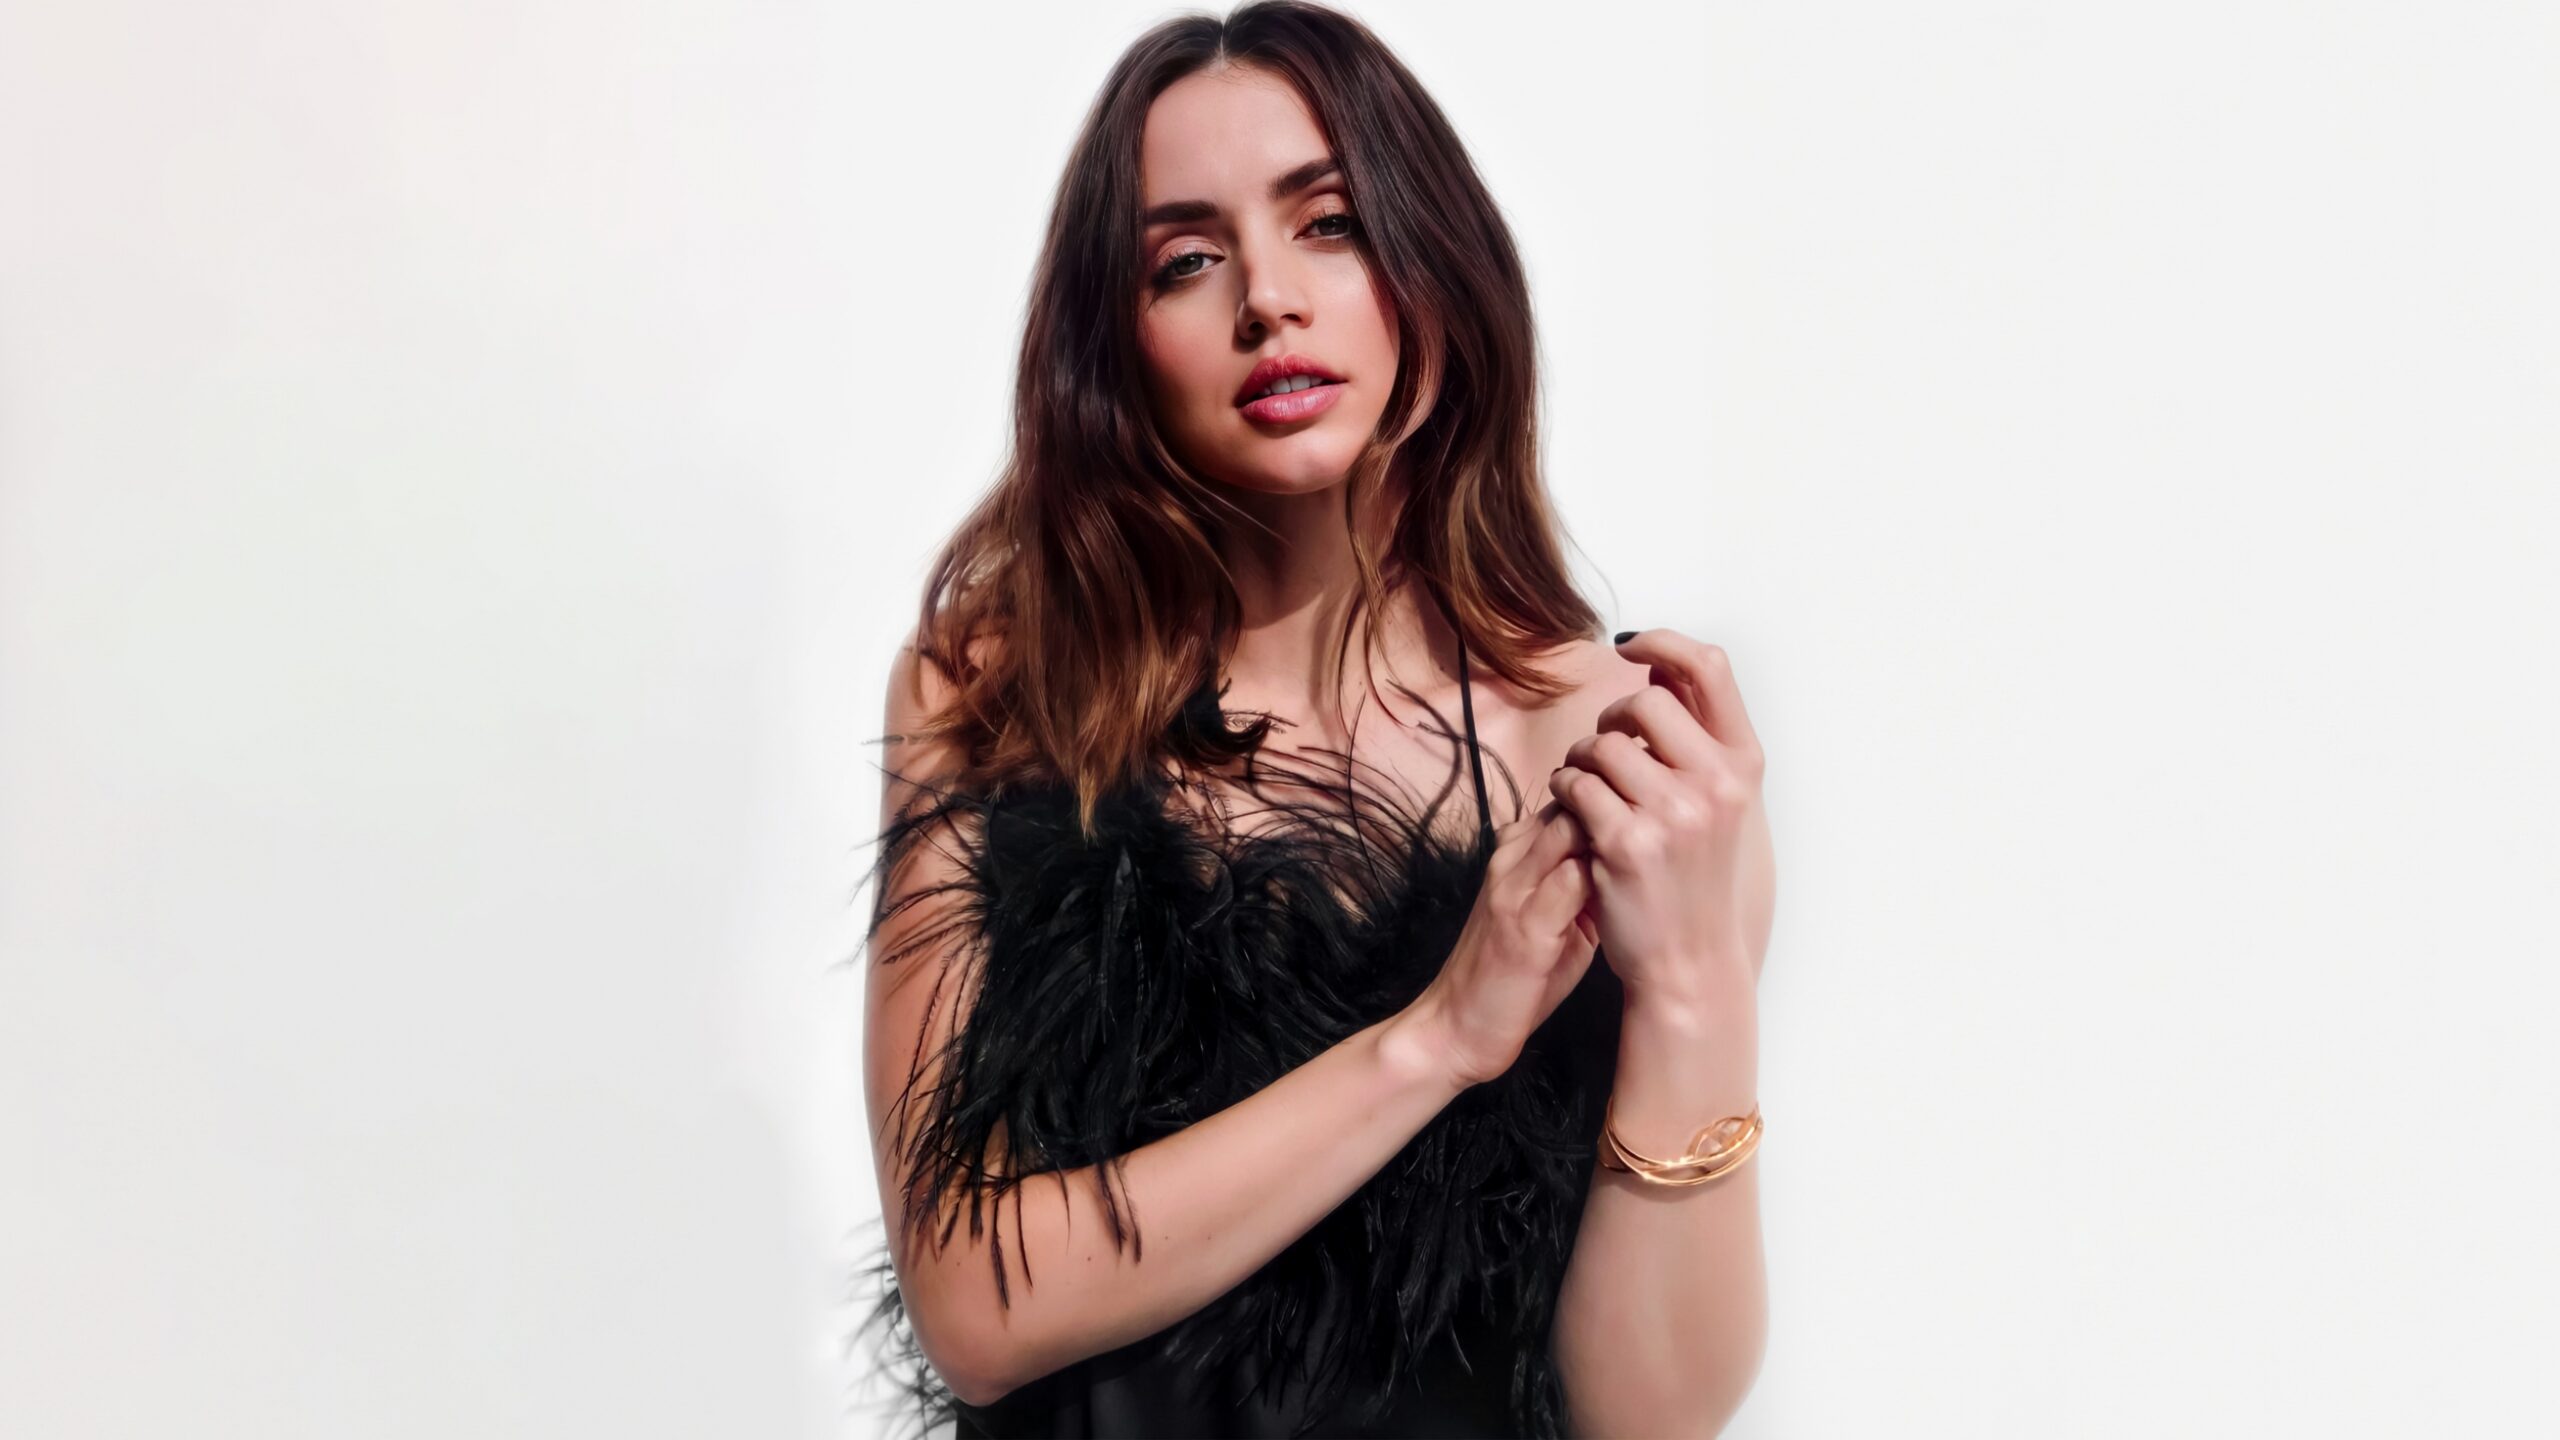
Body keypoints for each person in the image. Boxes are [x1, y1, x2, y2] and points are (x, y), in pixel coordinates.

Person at [849, 4, 1776, 1436]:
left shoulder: (1612, 751)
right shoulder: (1000, 698)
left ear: (1432, 260)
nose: (1267, 300)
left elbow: (1648, 1417)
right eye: (1186, 259)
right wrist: (1437, 1037)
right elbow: (972, 1304)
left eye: (1329, 224)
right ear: (1115, 340)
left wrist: (1697, 986)